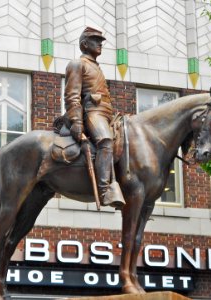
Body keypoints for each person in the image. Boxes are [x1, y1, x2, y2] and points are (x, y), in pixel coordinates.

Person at [64, 27, 125, 209]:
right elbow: (72, 96)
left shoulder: (96, 67)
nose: (100, 44)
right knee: (105, 141)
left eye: (101, 41)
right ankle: (104, 190)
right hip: (93, 113)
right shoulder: (77, 64)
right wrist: (76, 121)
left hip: (107, 114)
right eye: (95, 40)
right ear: (84, 44)